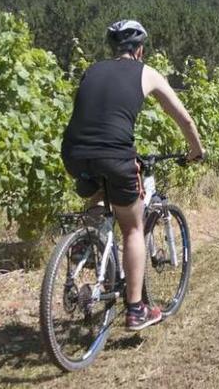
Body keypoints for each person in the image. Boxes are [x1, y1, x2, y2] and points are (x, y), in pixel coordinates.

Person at [61, 19, 205, 332]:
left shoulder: (93, 69)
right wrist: (196, 149)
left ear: (114, 48)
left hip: (73, 153)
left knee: (101, 193)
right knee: (132, 227)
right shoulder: (147, 72)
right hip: (115, 156)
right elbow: (182, 116)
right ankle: (137, 309)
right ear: (139, 49)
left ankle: (85, 244)